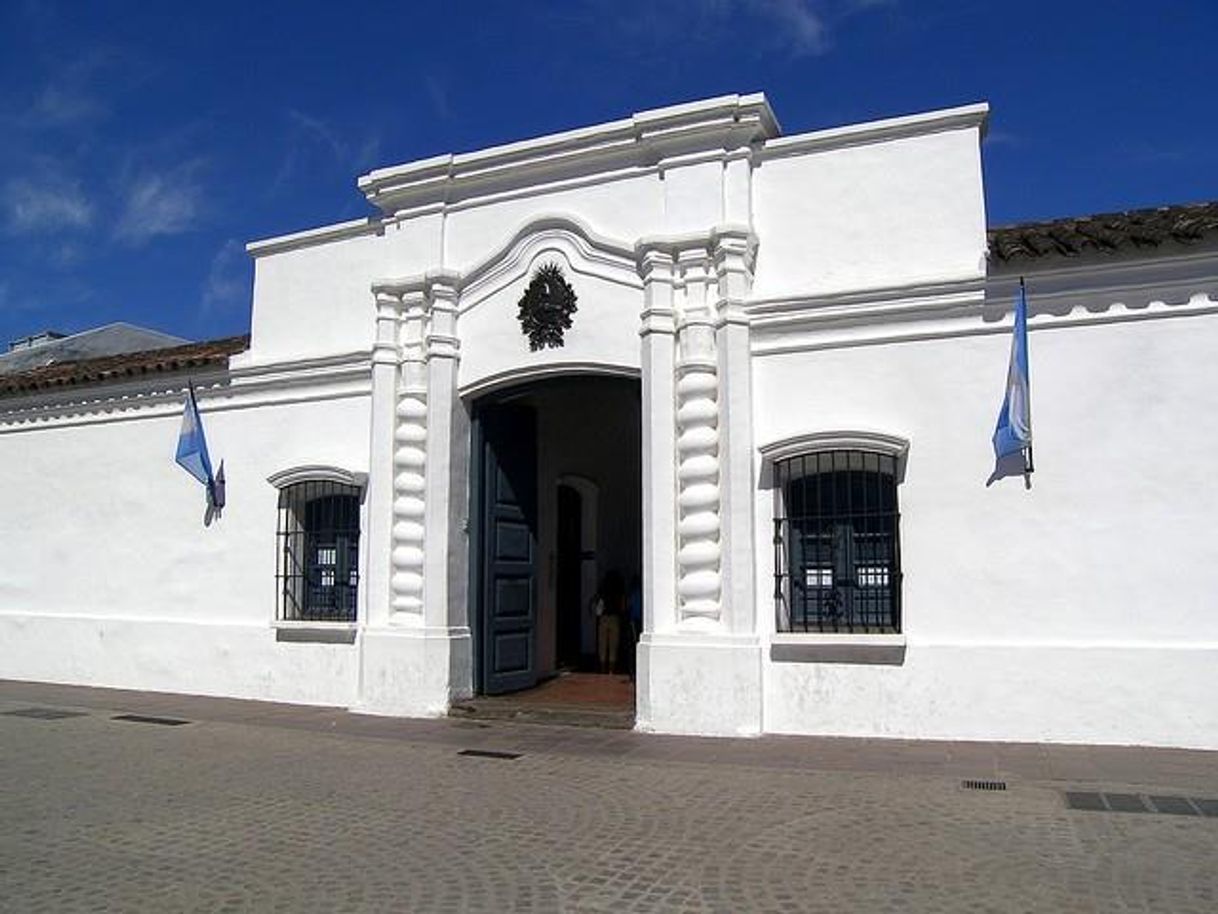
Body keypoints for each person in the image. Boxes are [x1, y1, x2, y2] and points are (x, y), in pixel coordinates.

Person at [594, 570, 626, 675]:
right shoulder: (619, 590)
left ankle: (603, 668)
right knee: (613, 645)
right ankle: (611, 670)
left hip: (603, 618)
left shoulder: (602, 589)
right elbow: (622, 606)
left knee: (602, 644)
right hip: (614, 618)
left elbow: (598, 602)